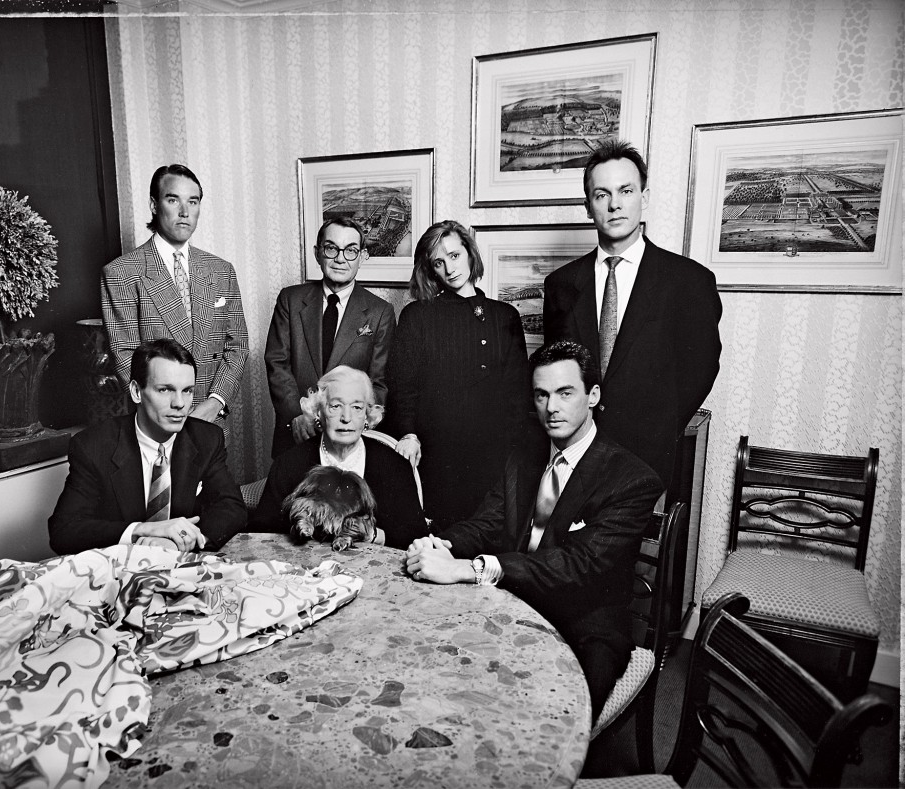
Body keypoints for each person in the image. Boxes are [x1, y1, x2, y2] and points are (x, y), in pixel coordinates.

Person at [405, 340, 663, 717]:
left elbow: (577, 565)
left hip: (585, 622)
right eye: (541, 395)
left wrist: (469, 568)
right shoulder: (525, 454)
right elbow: (489, 521)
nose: (552, 408)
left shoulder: (631, 479)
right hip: (512, 599)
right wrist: (441, 543)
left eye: (565, 393)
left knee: (551, 719)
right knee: (437, 681)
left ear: (592, 395)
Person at [543, 140, 722, 488]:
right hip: (575, 455)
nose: (615, 204)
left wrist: (659, 429)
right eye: (602, 194)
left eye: (626, 190)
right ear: (588, 206)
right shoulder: (562, 284)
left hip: (647, 459)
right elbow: (558, 370)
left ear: (645, 197)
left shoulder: (688, 281)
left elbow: (701, 367)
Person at [387, 219, 529, 531]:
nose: (450, 269)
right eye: (439, 262)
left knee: (484, 539)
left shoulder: (504, 316)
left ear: (469, 252)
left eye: (454, 255)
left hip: (491, 455)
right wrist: (408, 434)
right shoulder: (417, 316)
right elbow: (402, 385)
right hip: (436, 455)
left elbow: (518, 394)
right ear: (430, 270)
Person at [49, 338, 246, 554]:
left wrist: (183, 540)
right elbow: (64, 531)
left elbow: (231, 507)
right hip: (120, 573)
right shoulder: (93, 446)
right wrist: (143, 531)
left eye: (187, 391)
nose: (179, 403)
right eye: (165, 390)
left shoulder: (207, 438)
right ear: (136, 392)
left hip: (182, 566)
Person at [101, 164, 249, 433]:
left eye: (192, 202)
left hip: (211, 423)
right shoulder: (122, 273)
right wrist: (172, 412)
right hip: (155, 425)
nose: (184, 212)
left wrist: (215, 403)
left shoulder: (221, 270)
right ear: (155, 205)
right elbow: (125, 355)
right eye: (173, 200)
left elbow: (237, 346)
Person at [250, 366, 426, 549]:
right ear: (318, 411)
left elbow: (417, 536)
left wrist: (371, 535)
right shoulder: (289, 463)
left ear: (367, 416)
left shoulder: (394, 465)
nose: (346, 417)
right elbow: (262, 533)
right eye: (335, 406)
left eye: (357, 407)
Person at [264, 217, 395, 458]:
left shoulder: (380, 312)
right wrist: (298, 415)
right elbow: (277, 363)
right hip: (296, 434)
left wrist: (351, 424)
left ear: (362, 256)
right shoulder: (290, 300)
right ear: (318, 253)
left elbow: (379, 383)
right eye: (331, 248)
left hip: (350, 441)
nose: (340, 258)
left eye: (351, 250)